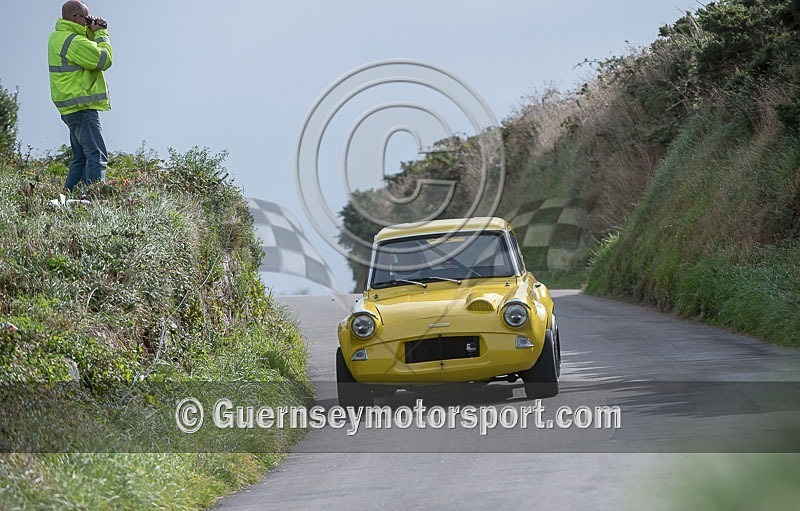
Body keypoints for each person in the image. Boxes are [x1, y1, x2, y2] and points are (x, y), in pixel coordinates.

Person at [48, 1, 112, 191]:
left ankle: (69, 200)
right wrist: (101, 34)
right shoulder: (72, 40)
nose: (88, 22)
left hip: (70, 108)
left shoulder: (58, 37)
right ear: (76, 17)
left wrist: (90, 32)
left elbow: (85, 52)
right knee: (97, 155)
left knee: (81, 158)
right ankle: (90, 199)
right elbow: (102, 59)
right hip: (82, 106)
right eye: (86, 18)